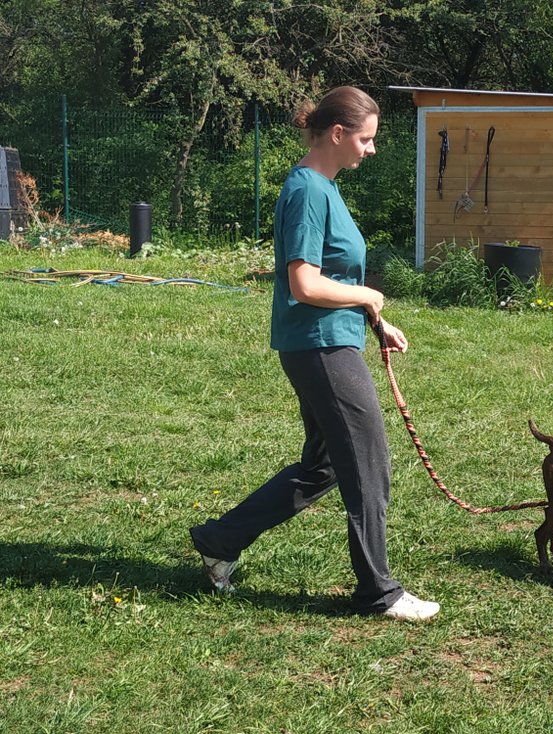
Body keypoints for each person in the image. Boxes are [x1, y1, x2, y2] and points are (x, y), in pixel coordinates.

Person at [189, 86, 439, 622]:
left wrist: (375, 317)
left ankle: (219, 539)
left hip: (329, 341)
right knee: (368, 460)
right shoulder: (307, 190)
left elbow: (334, 276)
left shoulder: (323, 187)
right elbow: (303, 283)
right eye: (367, 139)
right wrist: (368, 295)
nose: (371, 150)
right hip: (320, 348)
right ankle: (379, 592)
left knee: (324, 464)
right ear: (337, 134)